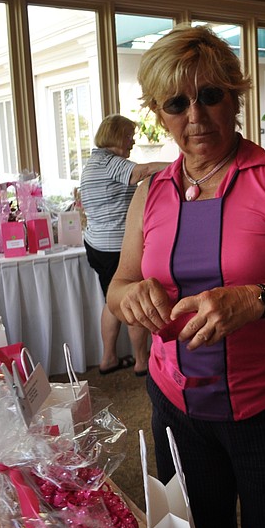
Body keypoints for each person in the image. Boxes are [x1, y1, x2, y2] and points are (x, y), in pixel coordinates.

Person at [106, 24, 265, 528]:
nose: (195, 116)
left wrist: (255, 299)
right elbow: (120, 284)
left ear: (235, 97)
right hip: (174, 404)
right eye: (176, 103)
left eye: (210, 96)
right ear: (158, 113)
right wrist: (133, 297)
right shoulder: (151, 194)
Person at [80, 114, 169, 376]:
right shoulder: (111, 163)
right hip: (115, 246)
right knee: (134, 299)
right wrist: (184, 163)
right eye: (129, 135)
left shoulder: (93, 164)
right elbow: (141, 172)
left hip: (96, 244)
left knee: (111, 301)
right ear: (117, 135)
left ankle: (108, 359)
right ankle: (142, 362)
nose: (132, 140)